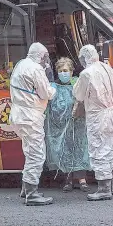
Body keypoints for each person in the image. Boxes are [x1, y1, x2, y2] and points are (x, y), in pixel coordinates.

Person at [9, 42, 57, 206]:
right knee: (37, 154)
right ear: (41, 56)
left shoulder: (21, 64)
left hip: (18, 115)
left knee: (29, 151)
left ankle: (25, 189)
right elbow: (46, 93)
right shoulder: (36, 69)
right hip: (30, 116)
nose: (47, 60)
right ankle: (32, 194)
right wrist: (52, 85)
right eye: (46, 56)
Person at [72, 45, 113, 201]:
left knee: (99, 150)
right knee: (111, 149)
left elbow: (78, 94)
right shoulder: (108, 68)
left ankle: (103, 189)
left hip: (98, 116)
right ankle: (111, 185)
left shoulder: (86, 74)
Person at [45, 57, 91, 193]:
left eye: (65, 70)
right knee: (65, 150)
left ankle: (82, 179)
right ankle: (68, 179)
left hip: (78, 124)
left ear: (71, 72)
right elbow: (51, 106)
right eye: (60, 70)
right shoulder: (53, 87)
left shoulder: (77, 84)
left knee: (80, 148)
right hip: (61, 126)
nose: (63, 73)